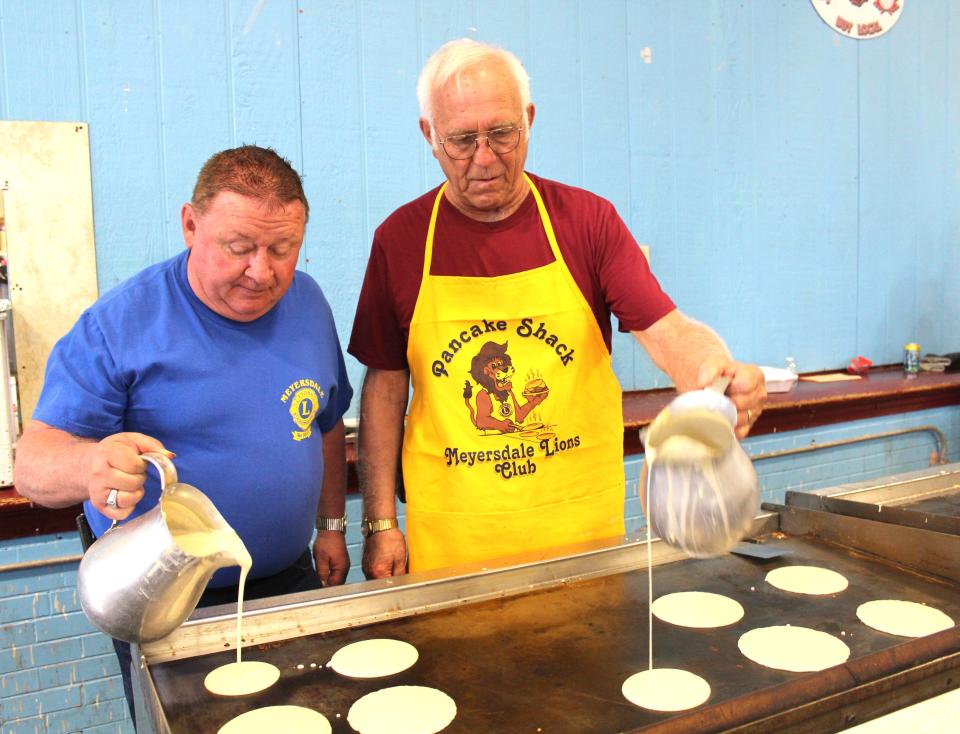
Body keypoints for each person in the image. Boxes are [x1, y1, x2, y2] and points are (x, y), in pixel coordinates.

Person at [348, 39, 766, 579]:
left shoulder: (587, 222)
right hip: (452, 542)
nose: (484, 158)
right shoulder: (400, 239)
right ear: (429, 135)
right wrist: (380, 524)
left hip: (580, 537)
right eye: (460, 140)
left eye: (502, 133)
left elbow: (666, 329)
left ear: (529, 119)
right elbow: (384, 387)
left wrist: (714, 373)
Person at [13, 145, 353, 724]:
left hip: (292, 579)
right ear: (191, 225)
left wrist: (332, 527)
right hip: (167, 606)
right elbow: (32, 464)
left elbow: (324, 424)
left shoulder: (309, 303)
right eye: (239, 248)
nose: (262, 271)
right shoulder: (120, 324)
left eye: (282, 249)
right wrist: (91, 463)